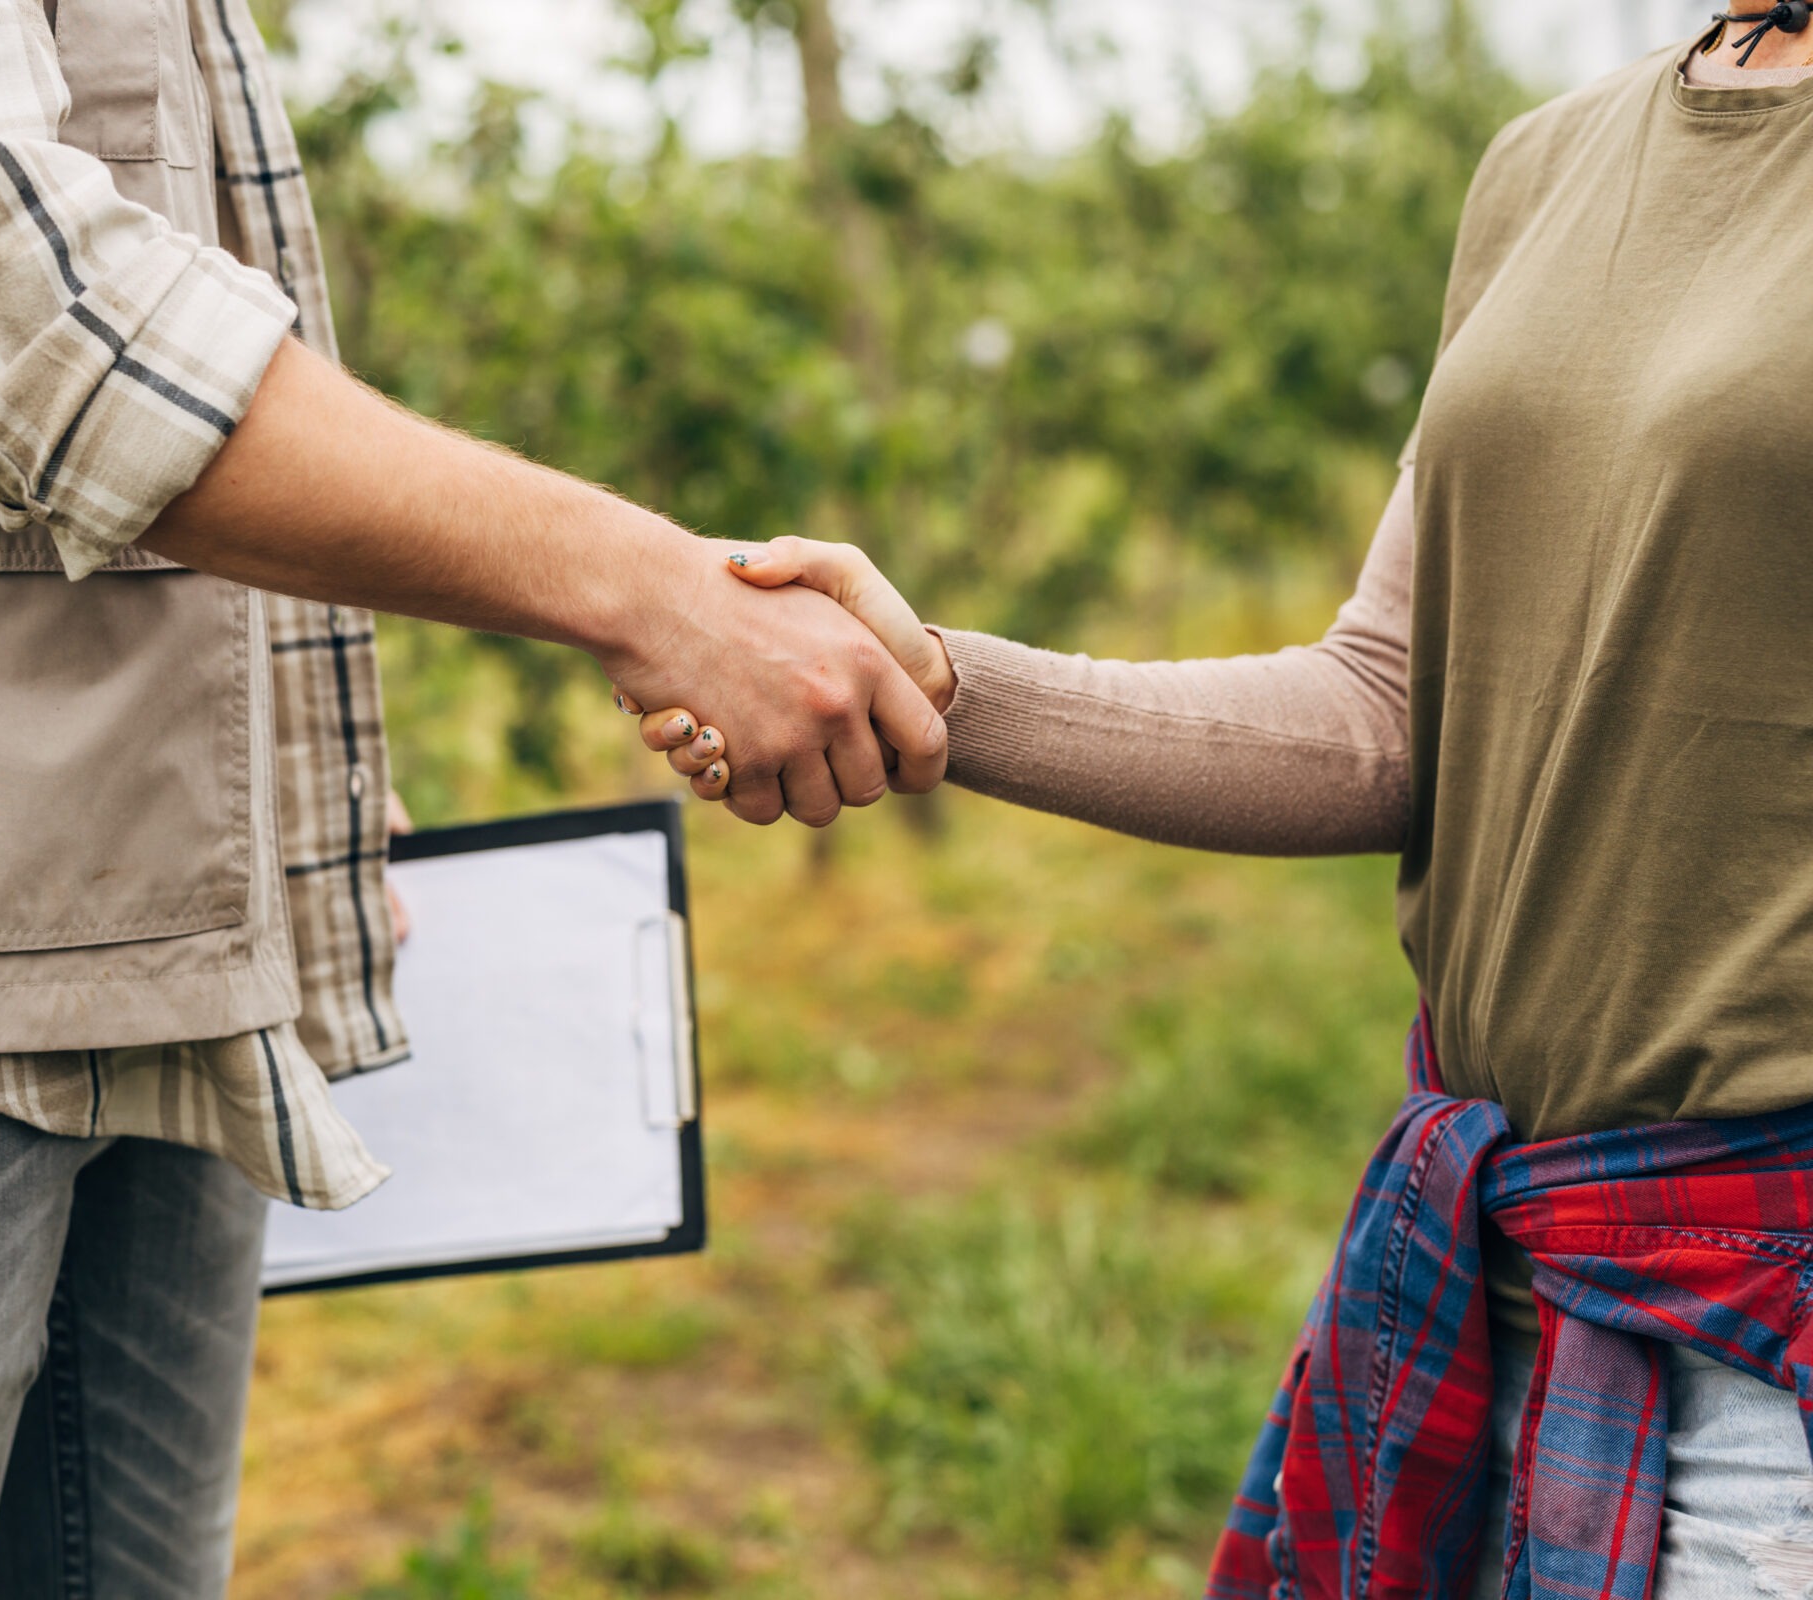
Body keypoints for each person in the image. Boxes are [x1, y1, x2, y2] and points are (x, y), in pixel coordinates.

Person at [0, 2, 945, 1594]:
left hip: (155, 911)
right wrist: (651, 588)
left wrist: (283, 774)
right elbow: (12, 302)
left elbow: (179, 251)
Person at [637, 16, 1813, 1597]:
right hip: (1519, 1290)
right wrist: (925, 683)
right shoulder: (1550, 162)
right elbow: (1387, 710)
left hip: (1770, 1360)